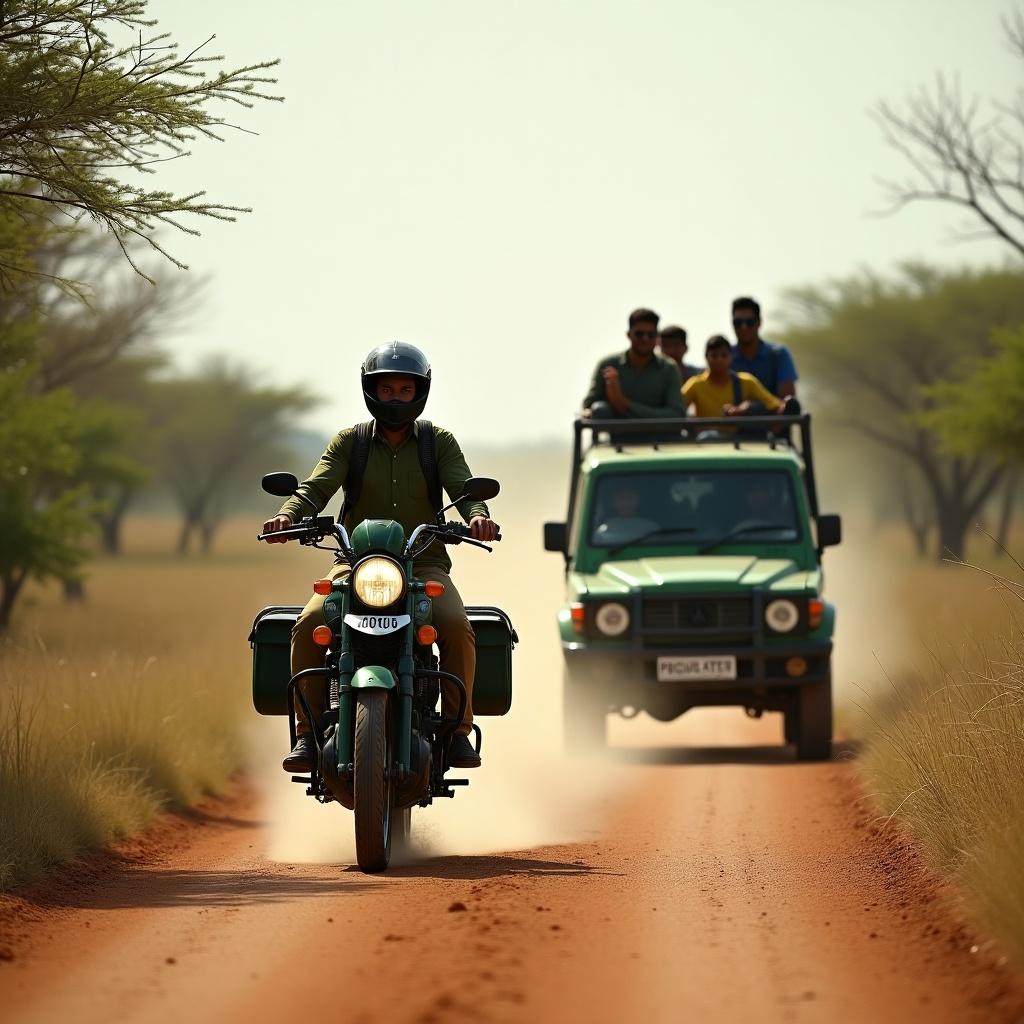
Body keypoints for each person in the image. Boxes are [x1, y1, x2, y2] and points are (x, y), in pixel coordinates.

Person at [261, 342, 501, 773]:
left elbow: (465, 490)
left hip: (423, 562)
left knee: (455, 625)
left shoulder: (437, 442)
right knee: (309, 623)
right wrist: (286, 517)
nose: (394, 398)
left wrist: (479, 518)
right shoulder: (350, 442)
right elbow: (315, 489)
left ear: (419, 392)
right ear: (370, 391)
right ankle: (308, 735)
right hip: (353, 563)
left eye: (404, 390)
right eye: (386, 389)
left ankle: (457, 732)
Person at [583, 308, 684, 419]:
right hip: (619, 435)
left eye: (651, 334)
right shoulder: (608, 365)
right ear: (628, 334)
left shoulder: (669, 368)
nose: (645, 339)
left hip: (661, 435)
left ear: (657, 337)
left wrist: (624, 404)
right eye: (639, 334)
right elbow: (589, 405)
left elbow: (676, 413)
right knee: (599, 409)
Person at [683, 335, 785, 427]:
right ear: (706, 357)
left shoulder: (746, 381)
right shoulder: (695, 385)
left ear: (731, 357)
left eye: (724, 355)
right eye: (714, 355)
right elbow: (677, 407)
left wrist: (745, 408)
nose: (719, 360)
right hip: (706, 443)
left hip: (739, 442)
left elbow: (773, 404)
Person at [730, 296, 798, 400]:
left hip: (772, 415)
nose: (744, 327)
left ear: (759, 322)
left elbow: (787, 402)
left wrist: (753, 408)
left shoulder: (778, 354)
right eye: (738, 323)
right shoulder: (724, 357)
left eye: (749, 322)